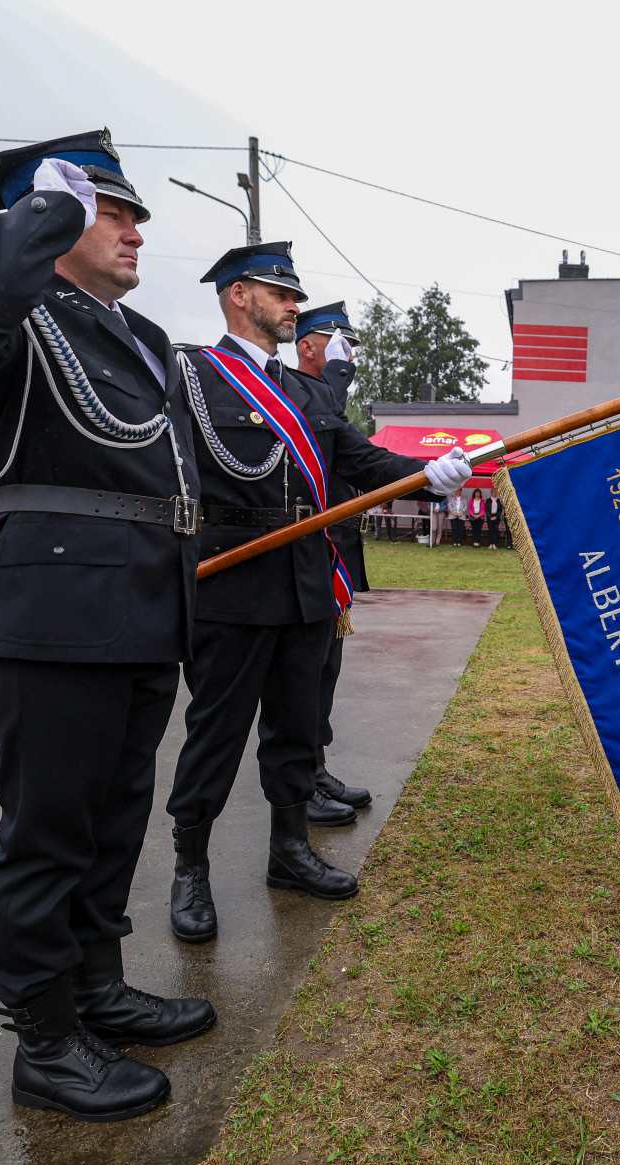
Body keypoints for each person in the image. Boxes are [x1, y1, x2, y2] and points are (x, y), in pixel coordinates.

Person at [0, 129, 214, 1122]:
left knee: (111, 820)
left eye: (132, 215)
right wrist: (42, 211)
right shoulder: (12, 317)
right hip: (52, 608)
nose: (134, 231)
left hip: (142, 603)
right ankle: (44, 1040)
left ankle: (96, 987)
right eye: (109, 212)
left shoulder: (139, 336)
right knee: (48, 830)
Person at [162, 243, 470, 945]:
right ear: (239, 295)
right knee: (215, 734)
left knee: (297, 728)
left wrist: (431, 475)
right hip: (231, 581)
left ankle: (290, 850)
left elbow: (362, 460)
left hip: (304, 583)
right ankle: (190, 868)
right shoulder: (193, 375)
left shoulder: (306, 394)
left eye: (295, 296)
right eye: (280, 294)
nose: (293, 307)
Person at [292, 299, 379, 818]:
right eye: (337, 344)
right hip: (307, 555)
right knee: (303, 675)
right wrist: (338, 376)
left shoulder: (328, 396)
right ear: (307, 346)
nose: (349, 356)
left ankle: (316, 767)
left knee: (326, 669)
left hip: (335, 551)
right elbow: (314, 426)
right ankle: (300, 781)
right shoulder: (289, 388)